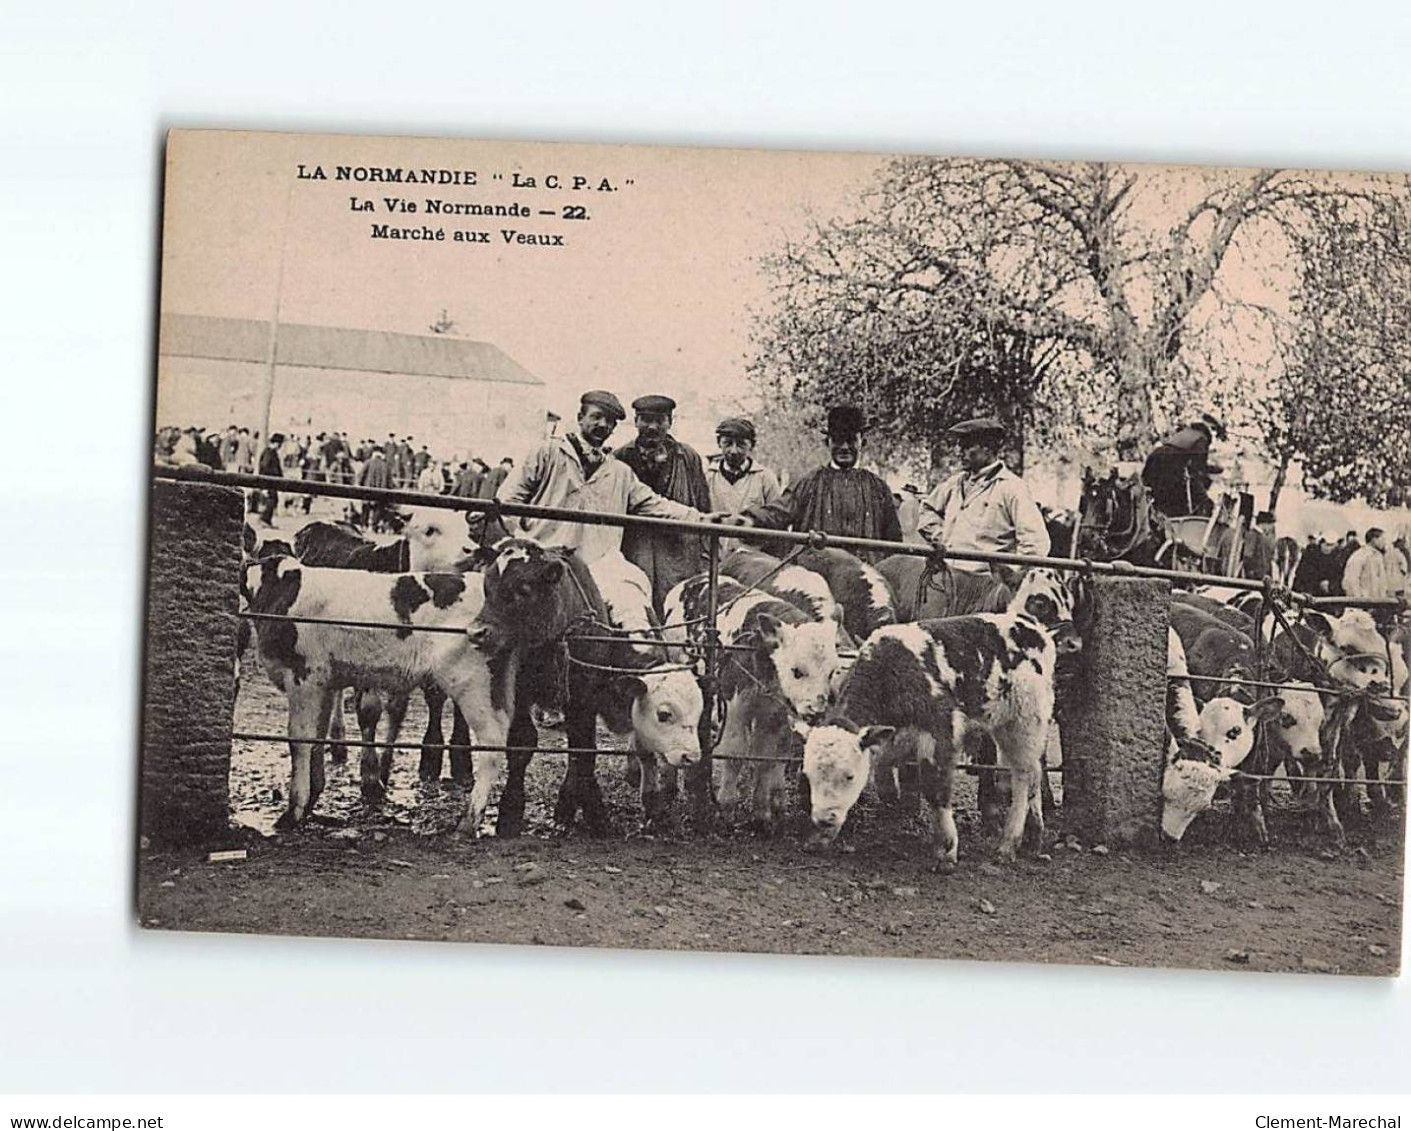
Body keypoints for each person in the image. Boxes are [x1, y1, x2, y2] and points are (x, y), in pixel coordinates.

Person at [496, 390, 708, 564]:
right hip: (543, 557)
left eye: (610, 421)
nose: (602, 425)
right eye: (596, 417)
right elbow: (508, 500)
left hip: (599, 565)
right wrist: (525, 543)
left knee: (633, 601)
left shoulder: (619, 471)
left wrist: (702, 519)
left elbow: (654, 504)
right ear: (580, 418)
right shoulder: (547, 453)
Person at [724, 405, 901, 563]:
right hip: (819, 580)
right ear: (827, 442)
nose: (845, 447)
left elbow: (894, 545)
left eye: (851, 440)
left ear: (863, 442)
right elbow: (779, 512)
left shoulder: (878, 489)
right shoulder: (810, 483)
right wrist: (748, 520)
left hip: (867, 584)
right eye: (838, 440)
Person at [916, 417, 1051, 614]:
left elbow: (1036, 543)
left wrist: (1010, 580)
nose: (958, 452)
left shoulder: (1011, 488)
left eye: (967, 446)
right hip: (948, 584)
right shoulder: (954, 484)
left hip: (984, 590)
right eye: (959, 446)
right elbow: (927, 511)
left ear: (988, 448)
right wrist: (941, 538)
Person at [613, 394, 713, 611]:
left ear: (670, 422)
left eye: (659, 420)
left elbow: (703, 506)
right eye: (646, 420)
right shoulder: (619, 458)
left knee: (678, 608)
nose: (652, 427)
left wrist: (705, 558)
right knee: (635, 604)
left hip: (679, 552)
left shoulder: (687, 457)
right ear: (636, 421)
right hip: (636, 548)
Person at [704, 417, 783, 555]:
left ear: (751, 445)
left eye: (741, 444)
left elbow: (777, 520)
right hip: (715, 557)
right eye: (728, 443)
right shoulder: (708, 477)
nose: (734, 451)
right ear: (719, 443)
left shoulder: (765, 478)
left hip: (754, 559)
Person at [1141, 414, 1225, 519]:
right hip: (1170, 463)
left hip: (1156, 457)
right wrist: (1215, 469)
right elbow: (1198, 466)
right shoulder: (1201, 438)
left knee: (1159, 495)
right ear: (1212, 430)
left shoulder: (1186, 432)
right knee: (1180, 498)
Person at [1343, 527, 1394, 601]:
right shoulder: (1360, 555)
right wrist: (1359, 599)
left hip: (1378, 603)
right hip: (1364, 603)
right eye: (1382, 539)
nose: (1384, 542)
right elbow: (1351, 580)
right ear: (1374, 540)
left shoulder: (1378, 556)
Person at [256, 432, 285, 527]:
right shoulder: (269, 452)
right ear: (277, 443)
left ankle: (267, 520)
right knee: (271, 500)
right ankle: (264, 519)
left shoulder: (271, 452)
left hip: (272, 481)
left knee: (273, 500)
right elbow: (265, 466)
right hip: (269, 480)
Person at [1242, 511, 1277, 580]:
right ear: (1264, 523)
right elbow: (1248, 555)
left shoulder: (1261, 536)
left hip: (1261, 576)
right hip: (1254, 576)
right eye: (1270, 525)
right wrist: (1251, 572)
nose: (1270, 528)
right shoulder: (1253, 535)